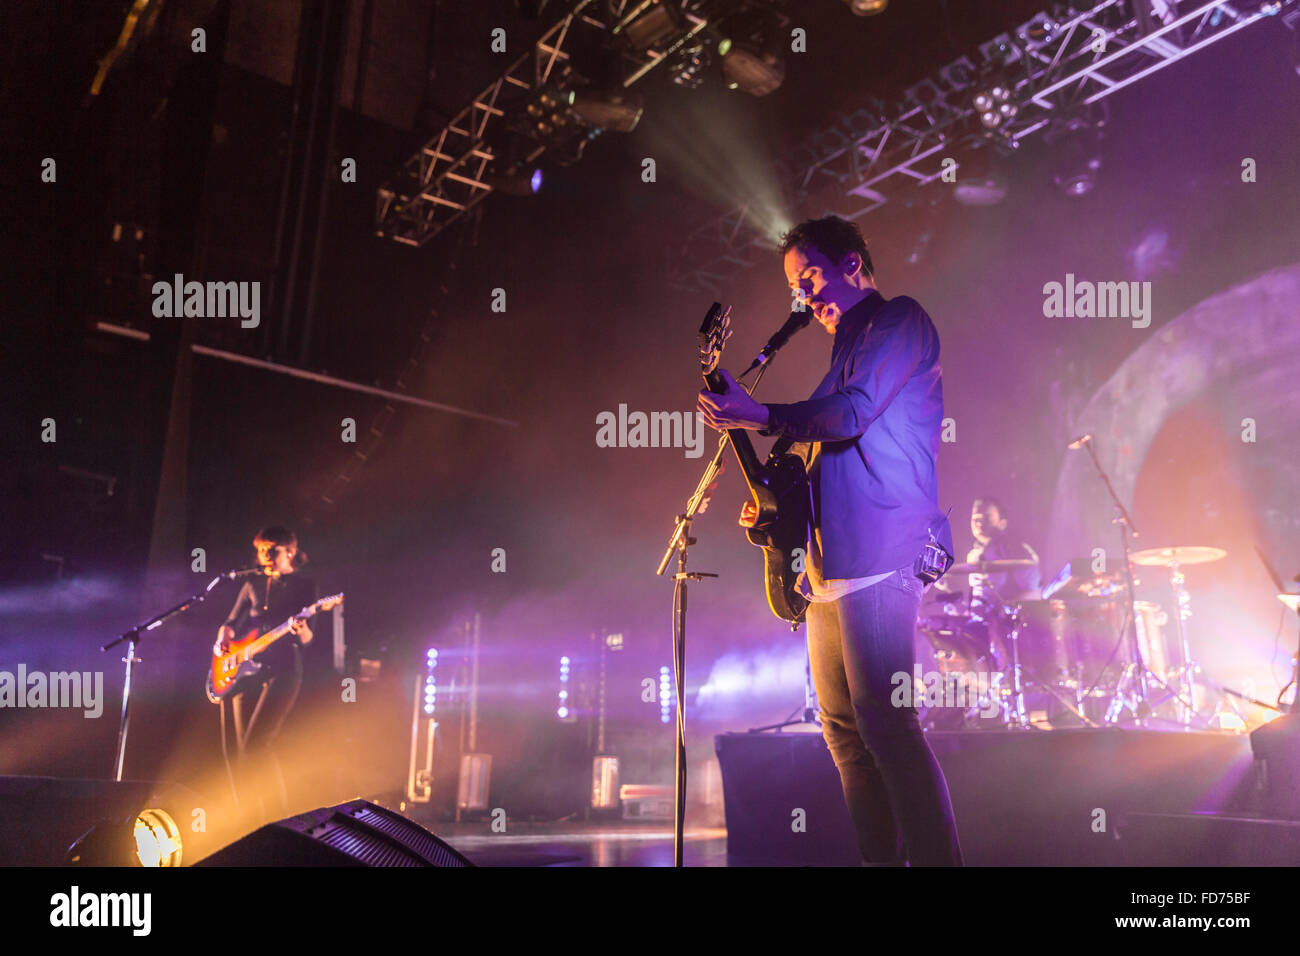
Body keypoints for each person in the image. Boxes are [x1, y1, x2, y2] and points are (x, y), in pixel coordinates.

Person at [697, 215, 961, 866]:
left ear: (853, 265)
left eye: (810, 275)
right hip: (830, 566)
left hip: (882, 547)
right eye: (795, 283)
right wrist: (772, 510)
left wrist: (759, 414)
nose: (804, 294)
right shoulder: (842, 352)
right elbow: (825, 455)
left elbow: (852, 413)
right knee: (844, 735)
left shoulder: (899, 320)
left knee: (888, 729)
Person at [214, 526, 317, 819]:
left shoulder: (304, 586)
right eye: (261, 550)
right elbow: (231, 622)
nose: (265, 556)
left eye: (272, 550)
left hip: (284, 669)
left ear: (291, 552)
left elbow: (310, 640)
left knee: (259, 743)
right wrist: (222, 638)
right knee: (241, 754)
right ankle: (250, 820)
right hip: (246, 669)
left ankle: (282, 818)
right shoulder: (253, 584)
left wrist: (303, 629)